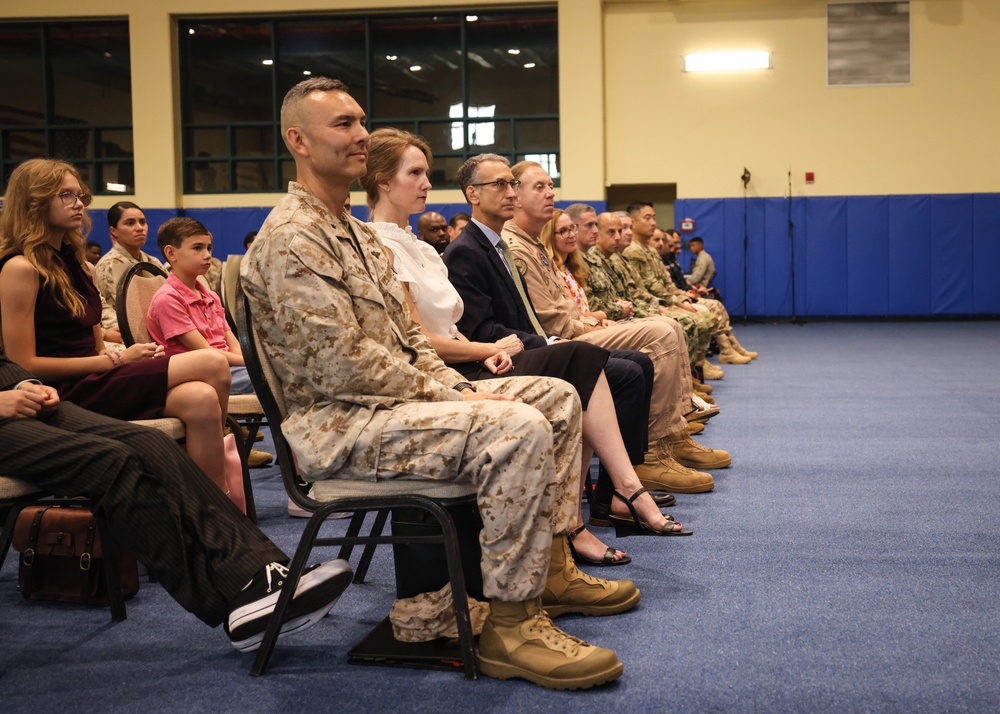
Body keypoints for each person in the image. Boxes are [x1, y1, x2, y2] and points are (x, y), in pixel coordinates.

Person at [240, 76, 636, 690]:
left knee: (556, 396)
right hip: (342, 428)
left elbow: (411, 342)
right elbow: (342, 366)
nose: (361, 134)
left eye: (360, 121)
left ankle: (549, 565)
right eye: (343, 124)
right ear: (297, 140)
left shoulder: (354, 232)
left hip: (388, 406)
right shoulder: (294, 237)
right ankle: (512, 624)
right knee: (518, 426)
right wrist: (451, 393)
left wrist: (449, 386)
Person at [361, 128, 687, 560]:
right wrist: (489, 349)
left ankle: (611, 497)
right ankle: (609, 501)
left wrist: (487, 347)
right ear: (384, 181)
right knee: (584, 361)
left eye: (426, 171)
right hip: (448, 373)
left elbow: (453, 327)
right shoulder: (381, 245)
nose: (426, 183)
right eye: (415, 172)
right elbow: (419, 340)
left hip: (471, 356)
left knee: (590, 363)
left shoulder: (418, 247)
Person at [0, 355, 352, 653]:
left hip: (20, 399)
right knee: (112, 461)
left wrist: (23, 385)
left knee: (150, 442)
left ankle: (258, 572)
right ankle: (235, 598)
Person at [445, 158, 724, 495]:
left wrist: (554, 337)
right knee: (640, 353)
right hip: (498, 359)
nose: (512, 194)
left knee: (637, 362)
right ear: (472, 193)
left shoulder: (502, 245)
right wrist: (549, 342)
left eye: (513, 185)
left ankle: (634, 473)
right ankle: (636, 472)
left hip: (530, 342)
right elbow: (486, 330)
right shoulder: (472, 250)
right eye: (502, 185)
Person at [0, 158, 233, 495]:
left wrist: (119, 359)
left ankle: (216, 506)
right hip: (62, 391)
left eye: (80, 195)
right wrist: (118, 361)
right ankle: (213, 488)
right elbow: (25, 366)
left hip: (97, 376)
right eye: (66, 195)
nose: (79, 204)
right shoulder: (20, 268)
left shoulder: (81, 266)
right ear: (35, 201)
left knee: (201, 398)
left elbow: (94, 345)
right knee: (212, 362)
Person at [145, 217, 273, 469]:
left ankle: (235, 437)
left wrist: (249, 359)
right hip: (199, 377)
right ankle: (230, 438)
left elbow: (232, 344)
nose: (207, 255)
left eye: (209, 248)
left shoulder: (209, 295)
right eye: (197, 248)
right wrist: (255, 361)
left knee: (276, 372)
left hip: (228, 369)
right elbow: (206, 355)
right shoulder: (168, 299)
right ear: (171, 253)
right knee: (275, 376)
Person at [94, 201, 165, 314]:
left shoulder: (153, 262)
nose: (139, 228)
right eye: (130, 223)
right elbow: (110, 313)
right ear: (114, 231)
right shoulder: (109, 265)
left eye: (142, 222)